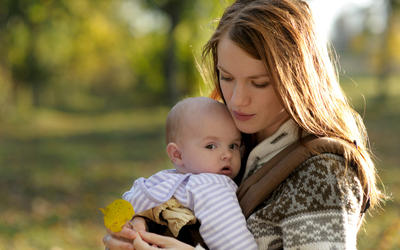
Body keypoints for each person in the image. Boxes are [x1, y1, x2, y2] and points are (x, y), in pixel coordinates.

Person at [103, 0, 385, 249]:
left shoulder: (323, 173)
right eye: (226, 78)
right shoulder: (230, 145)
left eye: (259, 83)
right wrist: (138, 229)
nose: (237, 100)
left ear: (298, 80)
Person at [119, 97, 257, 250]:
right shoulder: (211, 185)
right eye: (211, 146)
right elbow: (234, 242)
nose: (227, 154)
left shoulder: (164, 181)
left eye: (233, 145)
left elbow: (129, 204)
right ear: (177, 155)